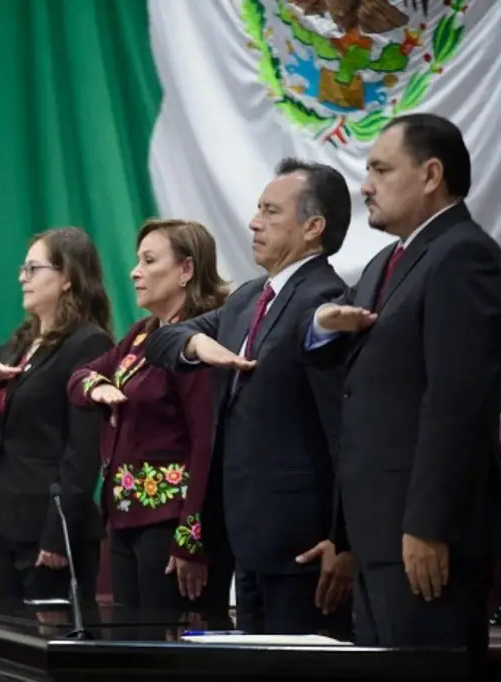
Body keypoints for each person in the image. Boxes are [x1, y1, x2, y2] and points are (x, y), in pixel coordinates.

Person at [304, 114, 501, 662]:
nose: (366, 185)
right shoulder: (385, 263)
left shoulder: (465, 256)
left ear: (430, 174)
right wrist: (346, 536)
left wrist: (428, 526)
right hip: (377, 539)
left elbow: (456, 406)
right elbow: (362, 396)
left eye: (380, 168)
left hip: (424, 540)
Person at [144, 159, 354, 637]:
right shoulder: (248, 298)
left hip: (303, 545)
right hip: (243, 537)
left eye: (270, 211)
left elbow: (344, 429)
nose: (254, 222)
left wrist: (345, 539)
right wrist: (196, 344)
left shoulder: (325, 297)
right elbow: (165, 341)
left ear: (312, 227)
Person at [0, 226, 113, 601]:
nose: (21, 278)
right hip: (7, 520)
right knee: (7, 639)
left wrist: (57, 536)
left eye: (33, 269)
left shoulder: (89, 342)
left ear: (66, 278)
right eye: (22, 269)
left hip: (51, 526)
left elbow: (81, 453)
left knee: (45, 641)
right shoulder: (23, 342)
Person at [66, 219, 233, 621]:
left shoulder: (198, 342)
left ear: (186, 270)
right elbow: (78, 377)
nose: (134, 271)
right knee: (130, 645)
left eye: (149, 260)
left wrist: (191, 540)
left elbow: (205, 445)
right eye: (137, 260)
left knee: (167, 650)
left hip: (171, 524)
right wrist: (96, 388)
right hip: (125, 516)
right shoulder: (141, 335)